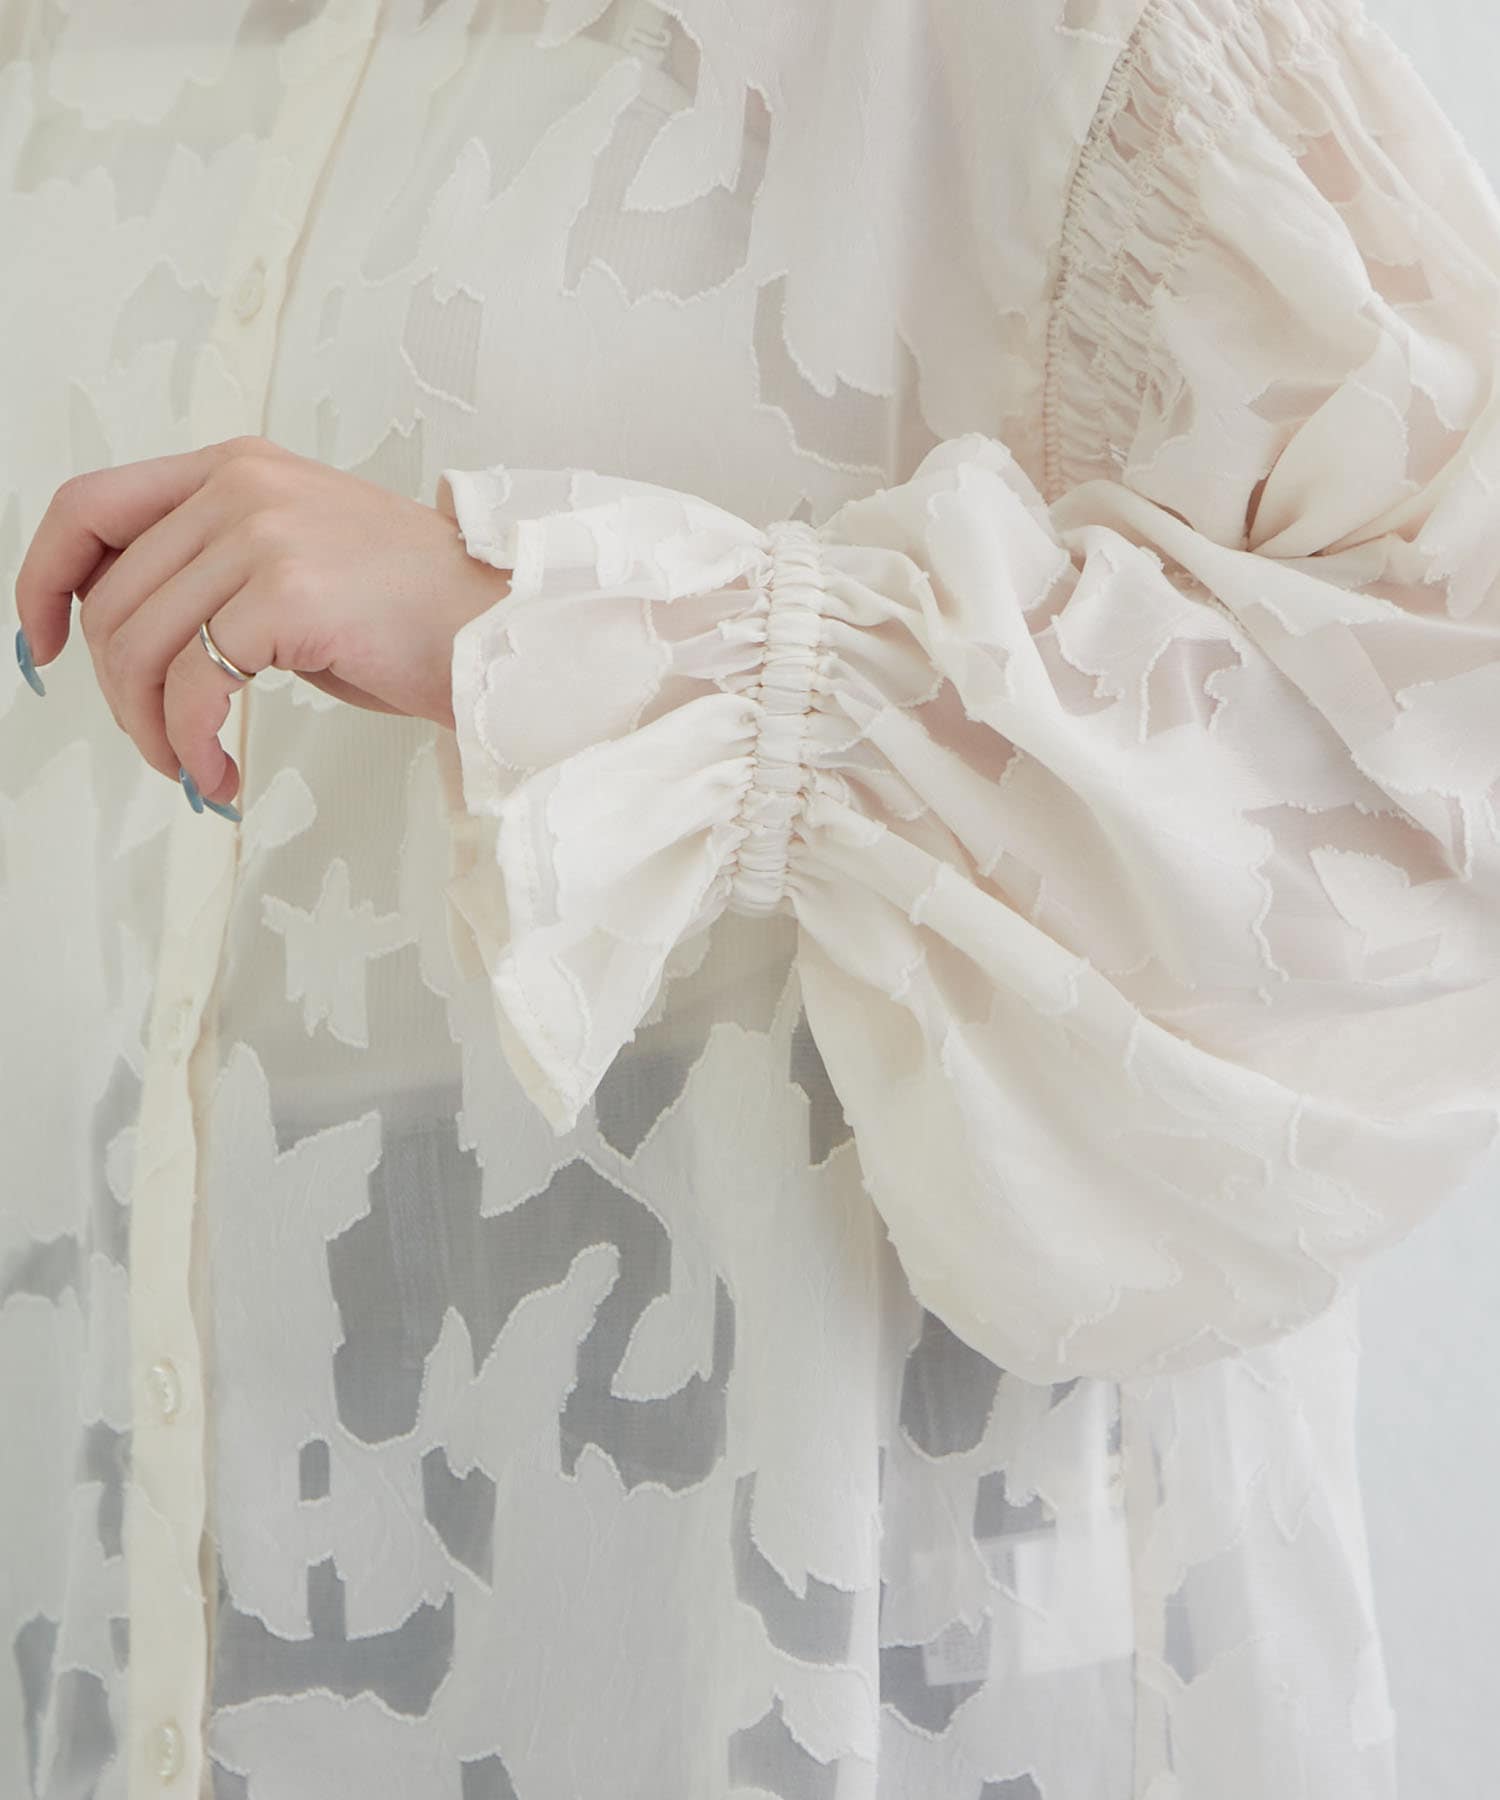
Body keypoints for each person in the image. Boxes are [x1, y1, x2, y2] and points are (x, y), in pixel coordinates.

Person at [4, 0, 1499, 1794]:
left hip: (795, 1601)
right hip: (142, 1573)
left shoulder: (1032, 46)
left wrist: (585, 639)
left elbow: (1436, 754)